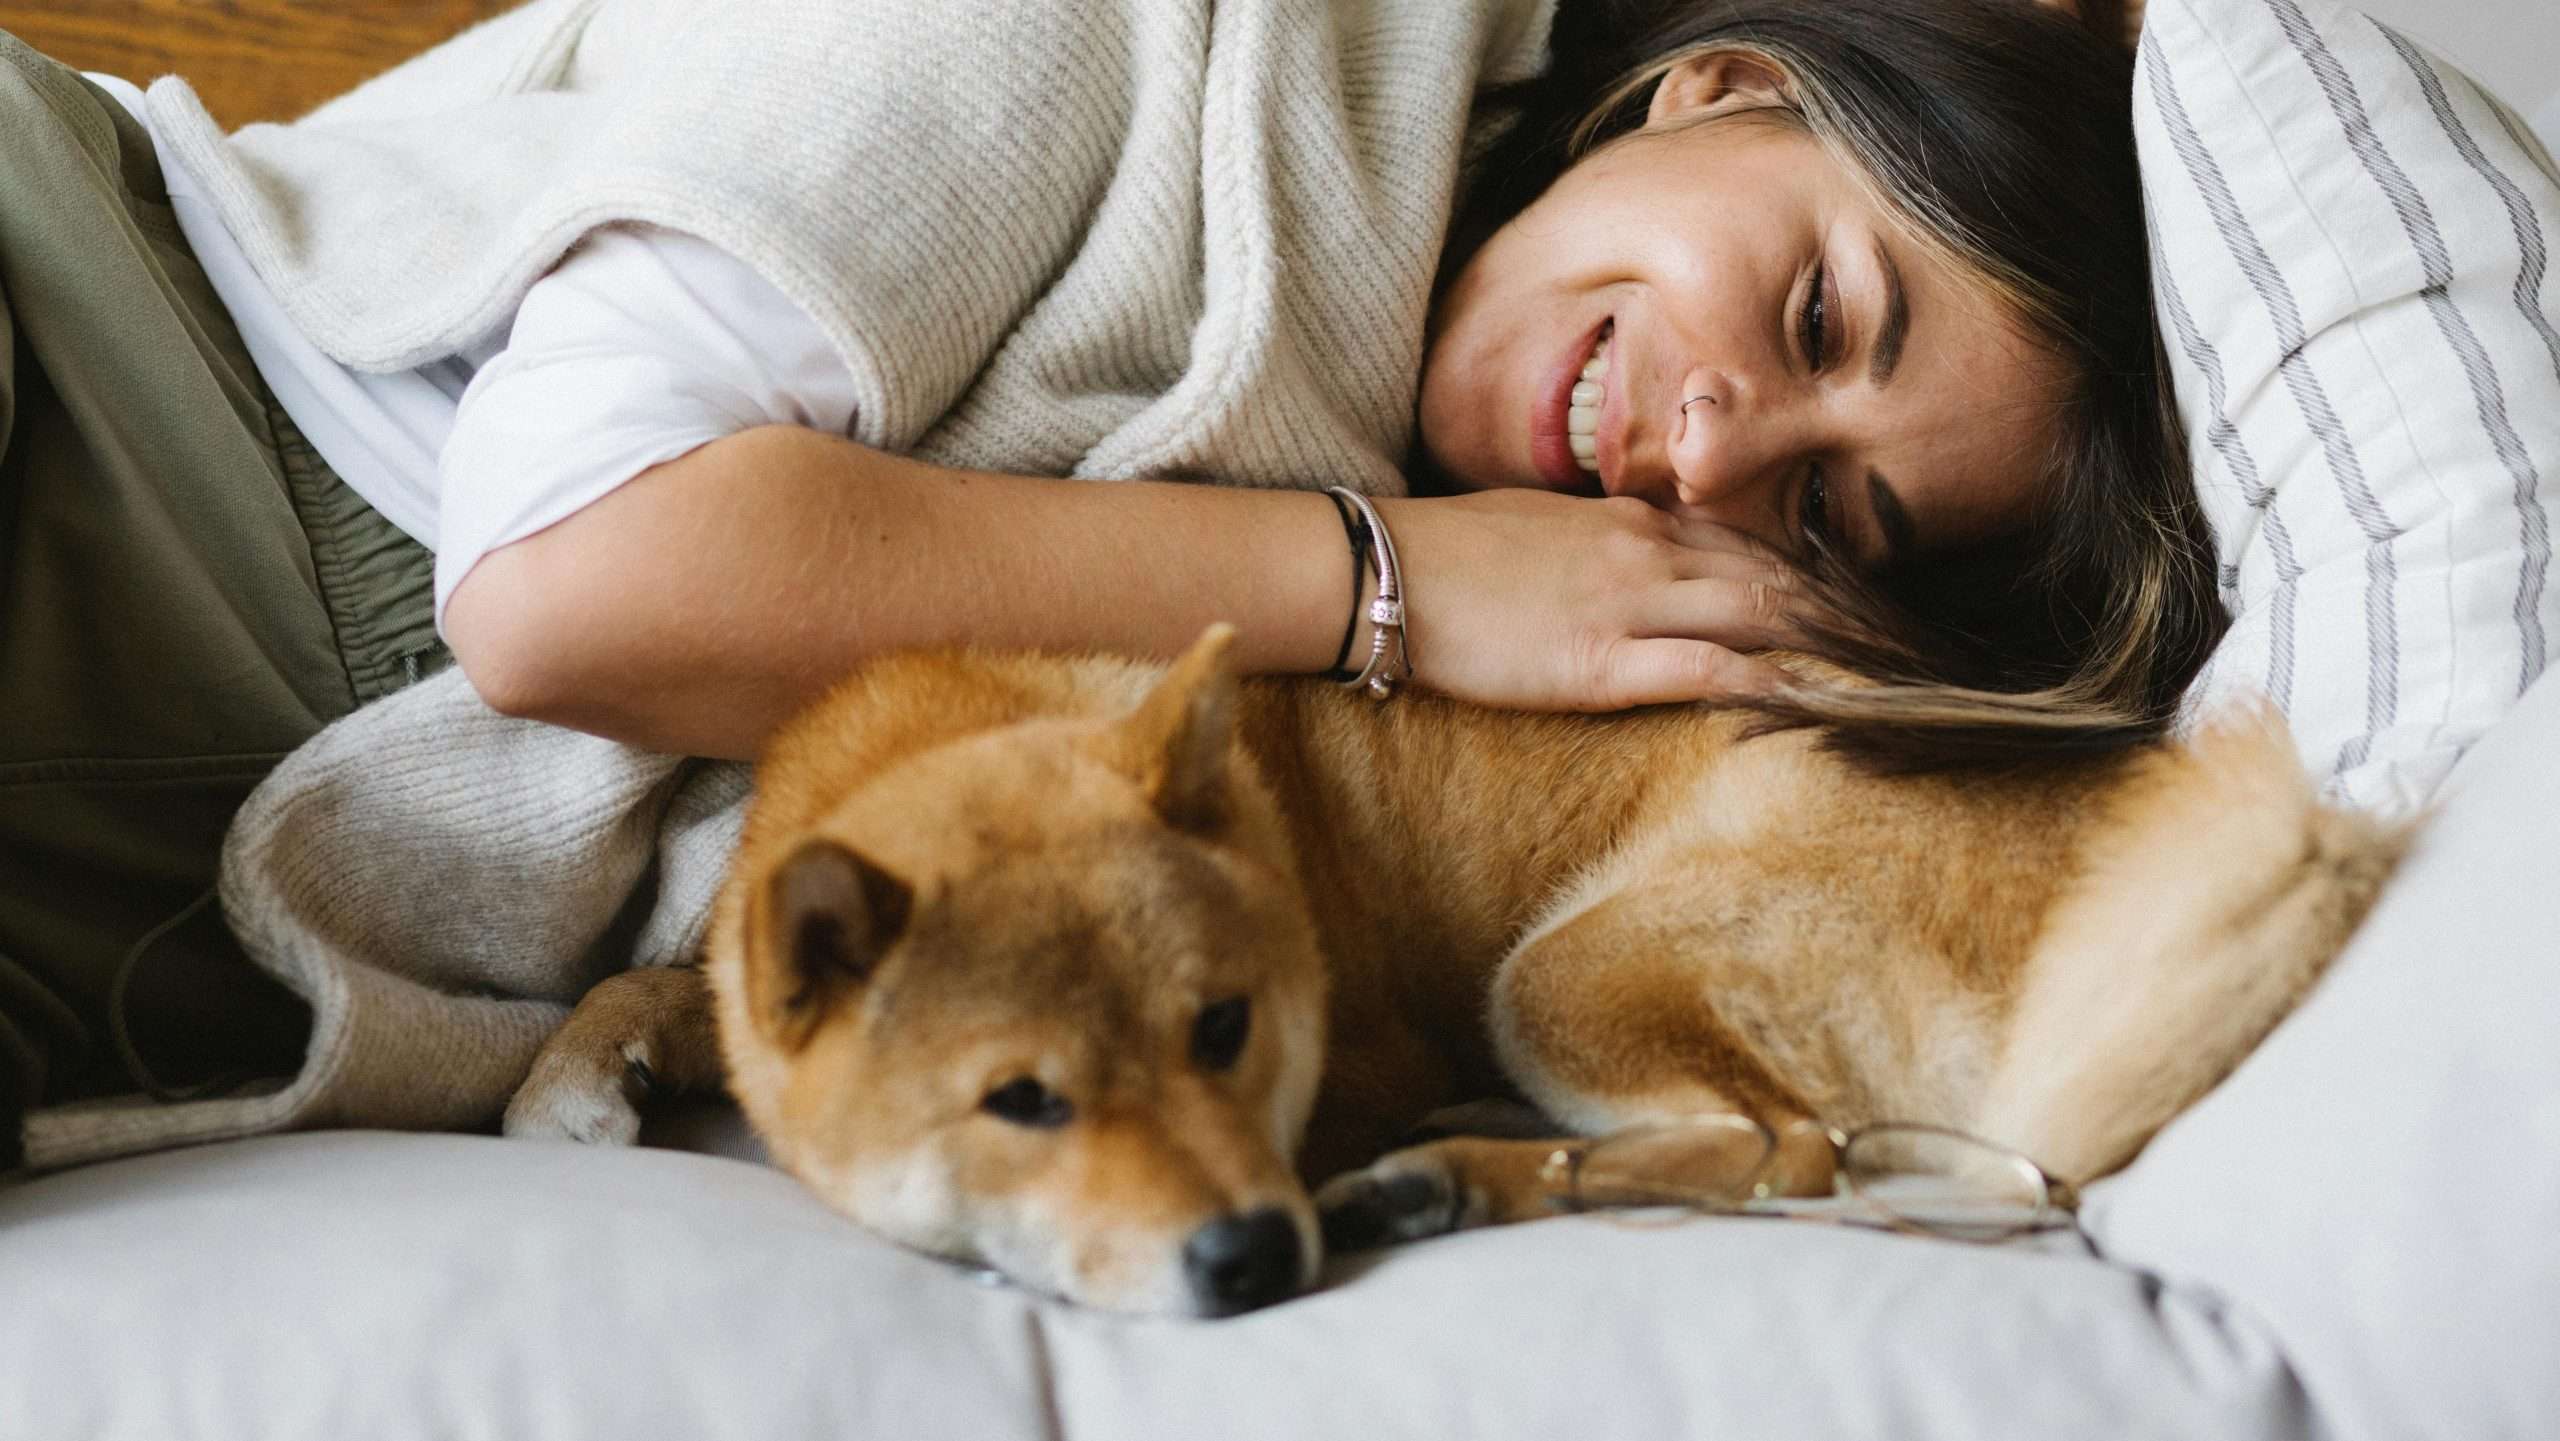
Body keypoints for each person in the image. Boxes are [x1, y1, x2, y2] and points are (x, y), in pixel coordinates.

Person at [0, 0, 2212, 1165]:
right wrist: (1379, 583)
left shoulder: (1525, 667)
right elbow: (570, 576)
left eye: (1824, 518)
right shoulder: (1158, 35)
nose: (1717, 448)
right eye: (1818, 314)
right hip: (130, 389)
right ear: (1722, 87)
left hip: (187, 900)